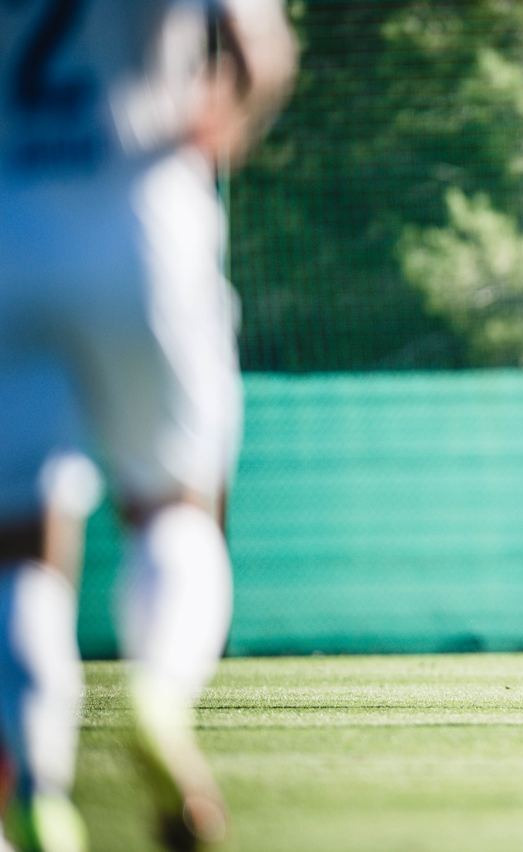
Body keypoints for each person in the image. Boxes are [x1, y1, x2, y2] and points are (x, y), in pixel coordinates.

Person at [0, 2, 296, 849]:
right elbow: (258, 51)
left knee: (20, 547)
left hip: (11, 231)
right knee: (174, 506)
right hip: (140, 211)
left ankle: (40, 788)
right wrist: (222, 120)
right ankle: (159, 695)